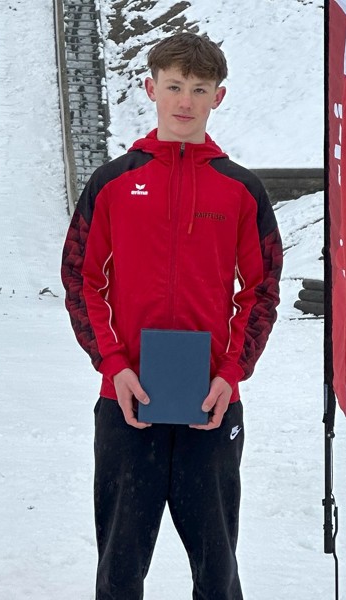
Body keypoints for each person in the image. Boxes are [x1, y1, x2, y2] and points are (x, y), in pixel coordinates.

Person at [61, 32, 283, 599]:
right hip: (127, 401)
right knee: (118, 569)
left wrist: (230, 374)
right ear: (150, 88)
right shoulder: (113, 183)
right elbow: (81, 278)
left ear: (218, 97)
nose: (185, 101)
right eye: (174, 86)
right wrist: (113, 364)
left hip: (210, 405)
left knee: (217, 571)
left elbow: (260, 289)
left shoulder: (239, 189)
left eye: (199, 89)